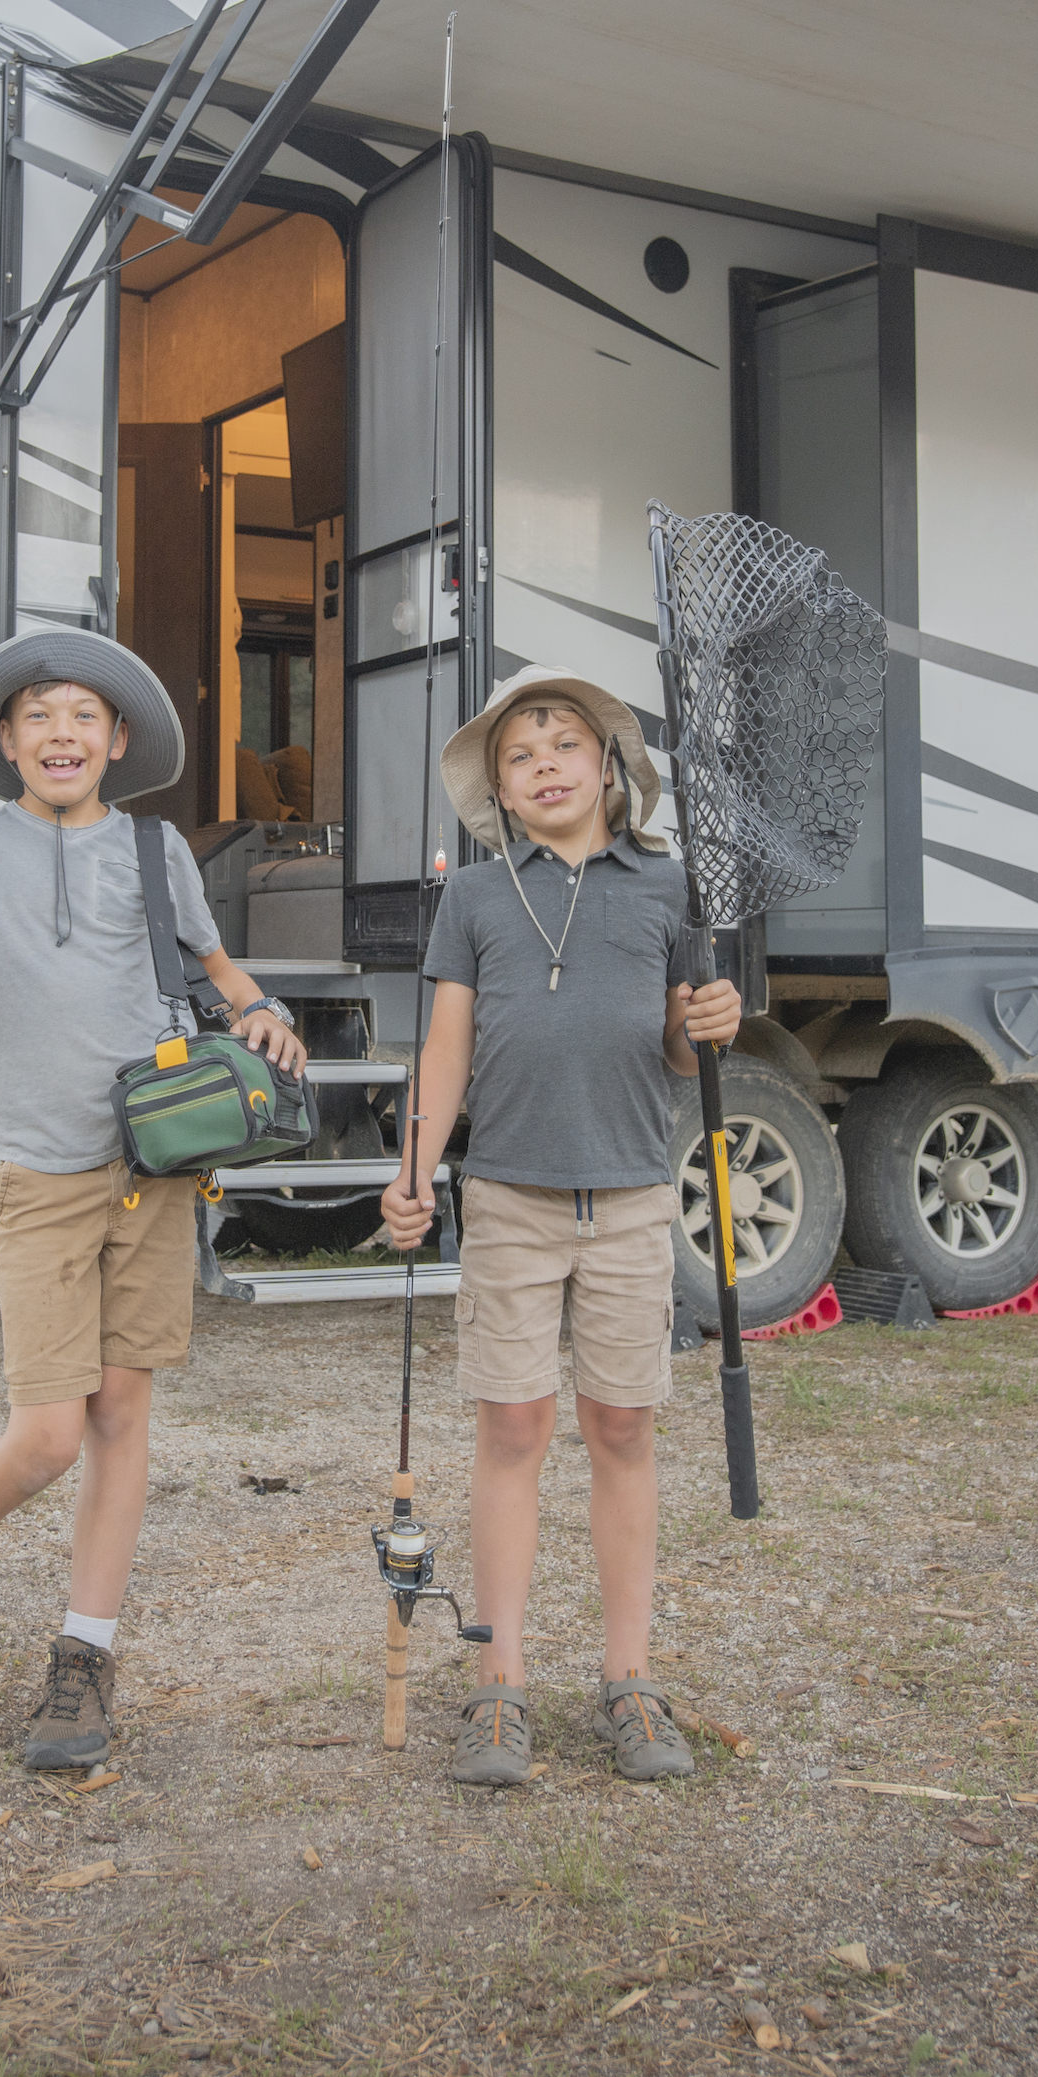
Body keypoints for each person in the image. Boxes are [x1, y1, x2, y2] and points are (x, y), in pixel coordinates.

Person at [0, 628, 308, 1769]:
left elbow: (216, 973)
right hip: (42, 1181)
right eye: (38, 715)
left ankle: (83, 1658)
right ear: (7, 741)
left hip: (154, 1175)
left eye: (82, 716)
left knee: (119, 1418)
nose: (62, 733)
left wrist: (268, 1013)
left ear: (115, 741)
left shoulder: (159, 852)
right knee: (45, 1437)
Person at [380, 669, 739, 1786]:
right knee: (514, 1431)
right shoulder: (478, 900)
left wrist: (709, 1025)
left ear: (610, 768)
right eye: (518, 755)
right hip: (508, 1200)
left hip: (631, 1200)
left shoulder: (670, 890)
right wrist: (414, 1172)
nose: (543, 764)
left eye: (562, 743)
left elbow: (685, 1054)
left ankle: (630, 1681)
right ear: (496, 792)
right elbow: (445, 1051)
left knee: (622, 1431)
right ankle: (499, 1683)